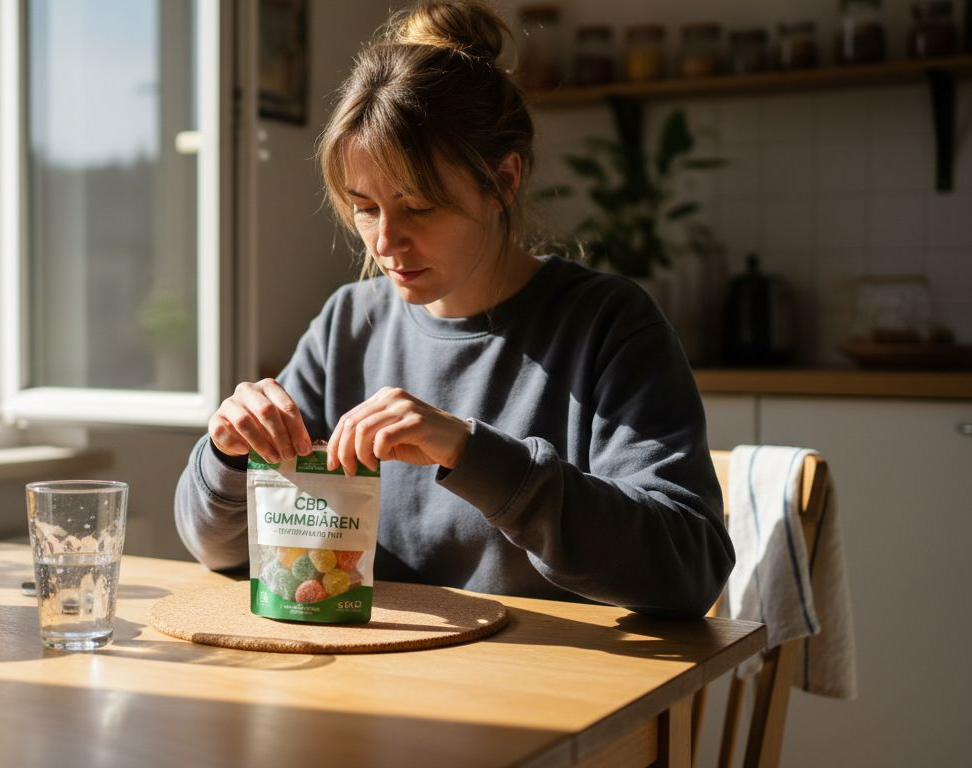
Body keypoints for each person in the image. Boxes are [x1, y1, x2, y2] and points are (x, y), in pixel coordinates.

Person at [174, 0, 733, 617]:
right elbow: (220, 551)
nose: (385, 242)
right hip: (372, 691)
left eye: (418, 206)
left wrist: (473, 453)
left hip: (554, 699)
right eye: (365, 207)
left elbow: (690, 567)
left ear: (504, 180)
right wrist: (229, 456)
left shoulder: (608, 325)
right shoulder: (347, 325)